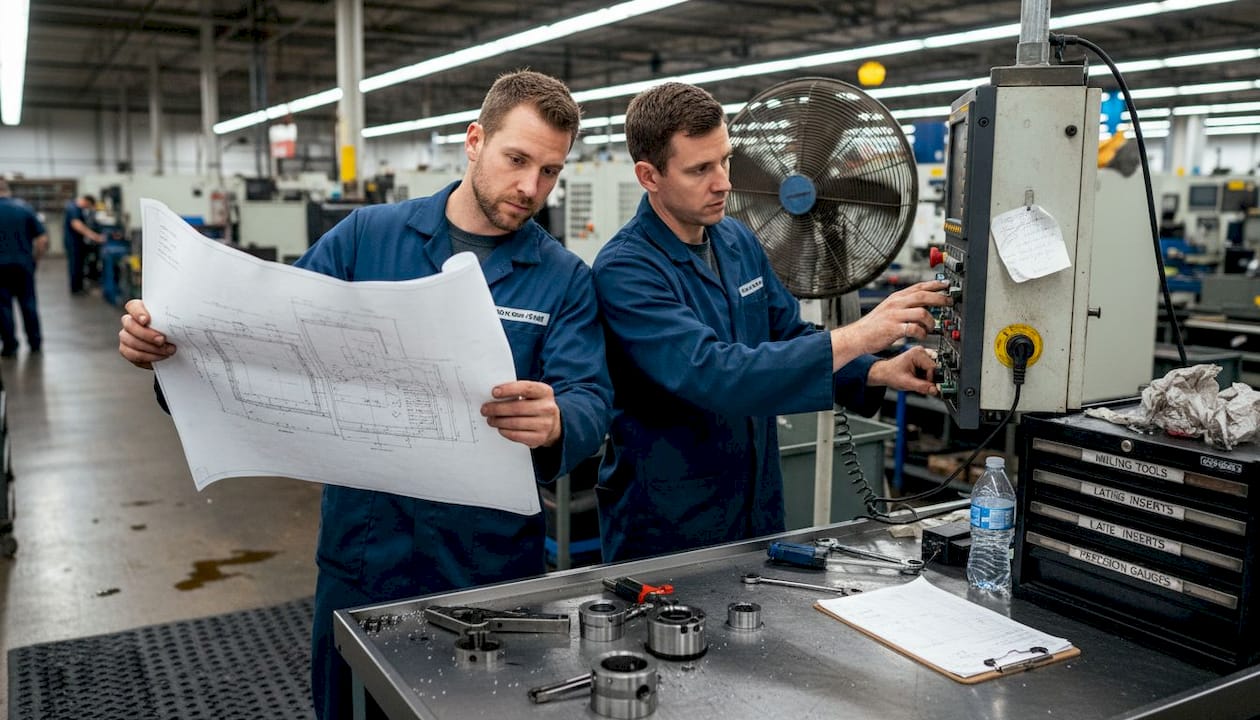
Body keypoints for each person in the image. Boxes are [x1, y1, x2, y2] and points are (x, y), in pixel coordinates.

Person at [118, 70, 612, 719]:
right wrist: (170, 354)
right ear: (473, 140)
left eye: (550, 171)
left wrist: (558, 420)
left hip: (488, 566)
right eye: (517, 159)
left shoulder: (562, 278)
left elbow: (590, 399)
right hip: (365, 553)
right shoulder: (365, 238)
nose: (531, 188)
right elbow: (267, 344)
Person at [591, 82, 950, 562]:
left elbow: (788, 333)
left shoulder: (735, 239)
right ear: (649, 176)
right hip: (668, 525)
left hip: (756, 509)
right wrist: (861, 332)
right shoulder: (626, 269)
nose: (723, 182)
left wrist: (874, 369)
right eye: (700, 169)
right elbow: (715, 374)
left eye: (725, 160)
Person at [0, 180, 49, 356]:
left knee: (3, 306)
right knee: (28, 303)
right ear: (8, 190)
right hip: (23, 265)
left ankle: (10, 345)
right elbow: (42, 239)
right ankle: (34, 343)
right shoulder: (24, 208)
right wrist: (35, 259)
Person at [63, 194, 103, 295]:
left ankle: (79, 287)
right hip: (73, 243)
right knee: (75, 266)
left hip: (78, 242)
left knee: (79, 265)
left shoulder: (77, 209)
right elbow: (77, 225)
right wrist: (95, 236)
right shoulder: (73, 208)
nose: (87, 208)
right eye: (88, 206)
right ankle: (75, 289)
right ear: (86, 201)